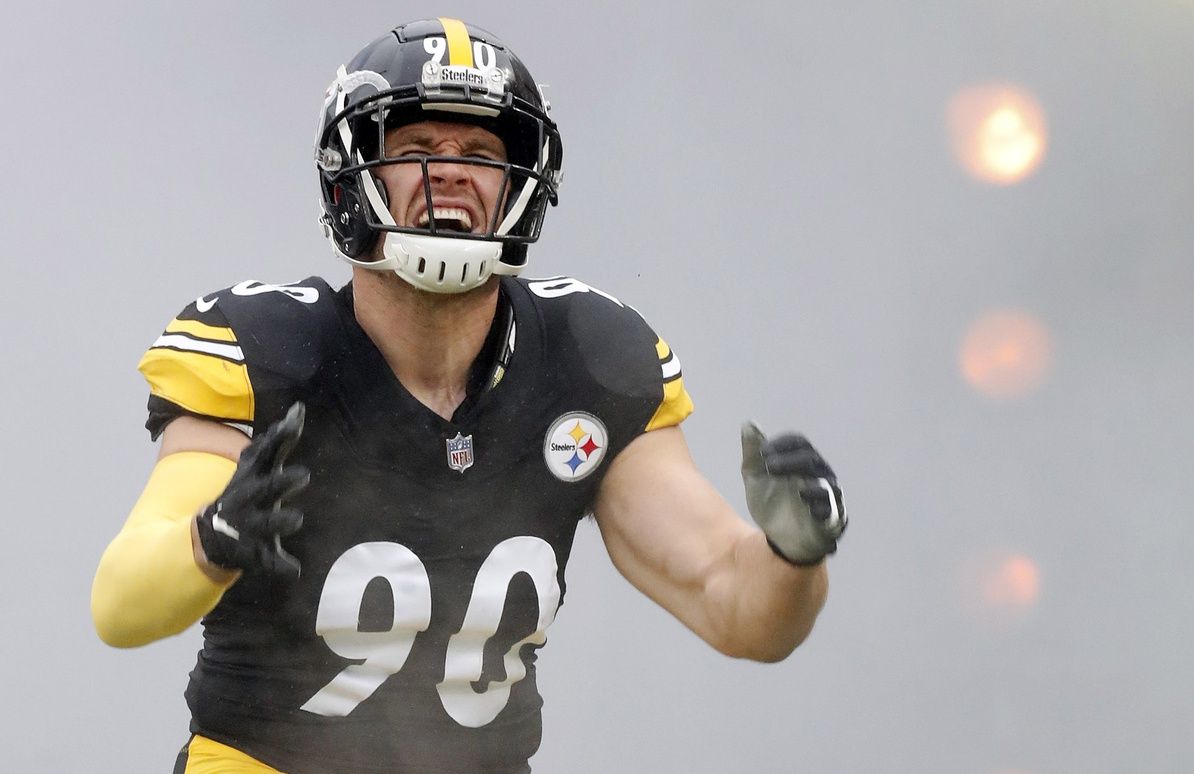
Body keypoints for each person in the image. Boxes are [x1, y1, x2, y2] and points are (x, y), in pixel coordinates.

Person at [91, 17, 847, 774]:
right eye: (418, 150)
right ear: (350, 176)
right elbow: (119, 605)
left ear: (525, 181)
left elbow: (736, 607)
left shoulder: (585, 359)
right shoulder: (266, 354)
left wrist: (794, 557)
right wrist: (212, 540)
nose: (450, 173)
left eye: (481, 154)